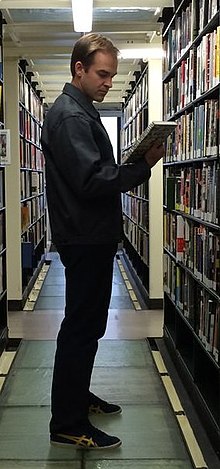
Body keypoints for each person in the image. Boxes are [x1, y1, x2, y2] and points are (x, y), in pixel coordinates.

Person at [41, 33, 164, 450]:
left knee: (87, 326)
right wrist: (141, 167)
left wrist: (126, 166)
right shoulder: (72, 117)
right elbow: (92, 180)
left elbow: (90, 173)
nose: (108, 82)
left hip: (87, 235)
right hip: (85, 237)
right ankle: (68, 423)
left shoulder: (78, 111)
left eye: (111, 75)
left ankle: (77, 398)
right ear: (79, 69)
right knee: (80, 328)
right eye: (102, 74)